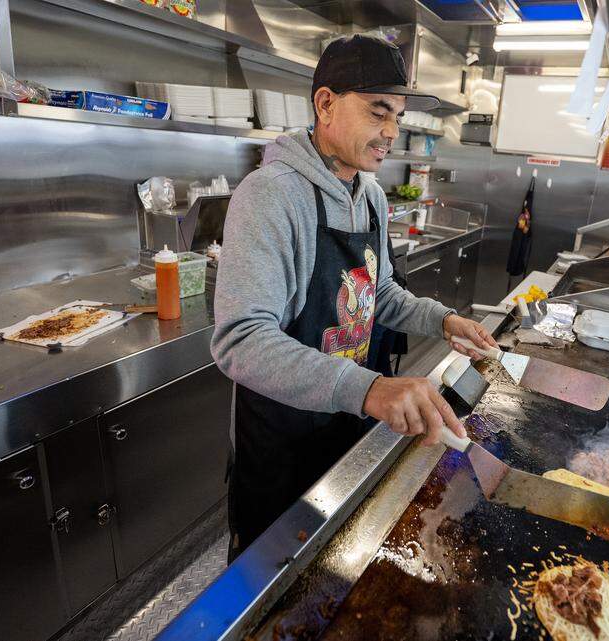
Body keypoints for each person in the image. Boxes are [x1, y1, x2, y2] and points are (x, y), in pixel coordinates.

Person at [212, 34, 497, 558]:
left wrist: (442, 320)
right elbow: (240, 340)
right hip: (280, 440)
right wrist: (369, 388)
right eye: (378, 112)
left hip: (346, 426)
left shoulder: (369, 193)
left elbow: (378, 291)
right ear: (325, 103)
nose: (391, 132)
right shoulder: (270, 195)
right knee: (270, 586)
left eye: (399, 117)